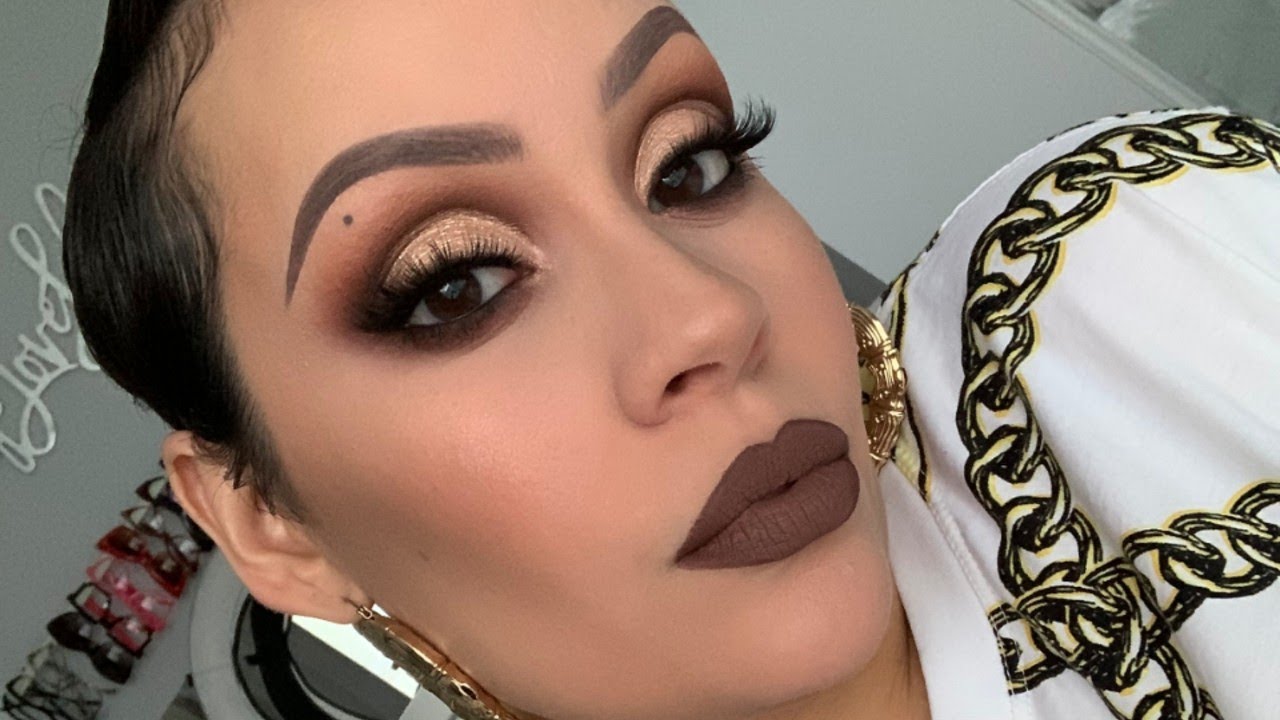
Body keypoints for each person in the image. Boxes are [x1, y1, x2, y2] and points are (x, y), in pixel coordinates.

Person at [61, 1, 1279, 719]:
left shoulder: (1131, 266)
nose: (708, 317)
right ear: (270, 522)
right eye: (453, 284)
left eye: (687, 164)